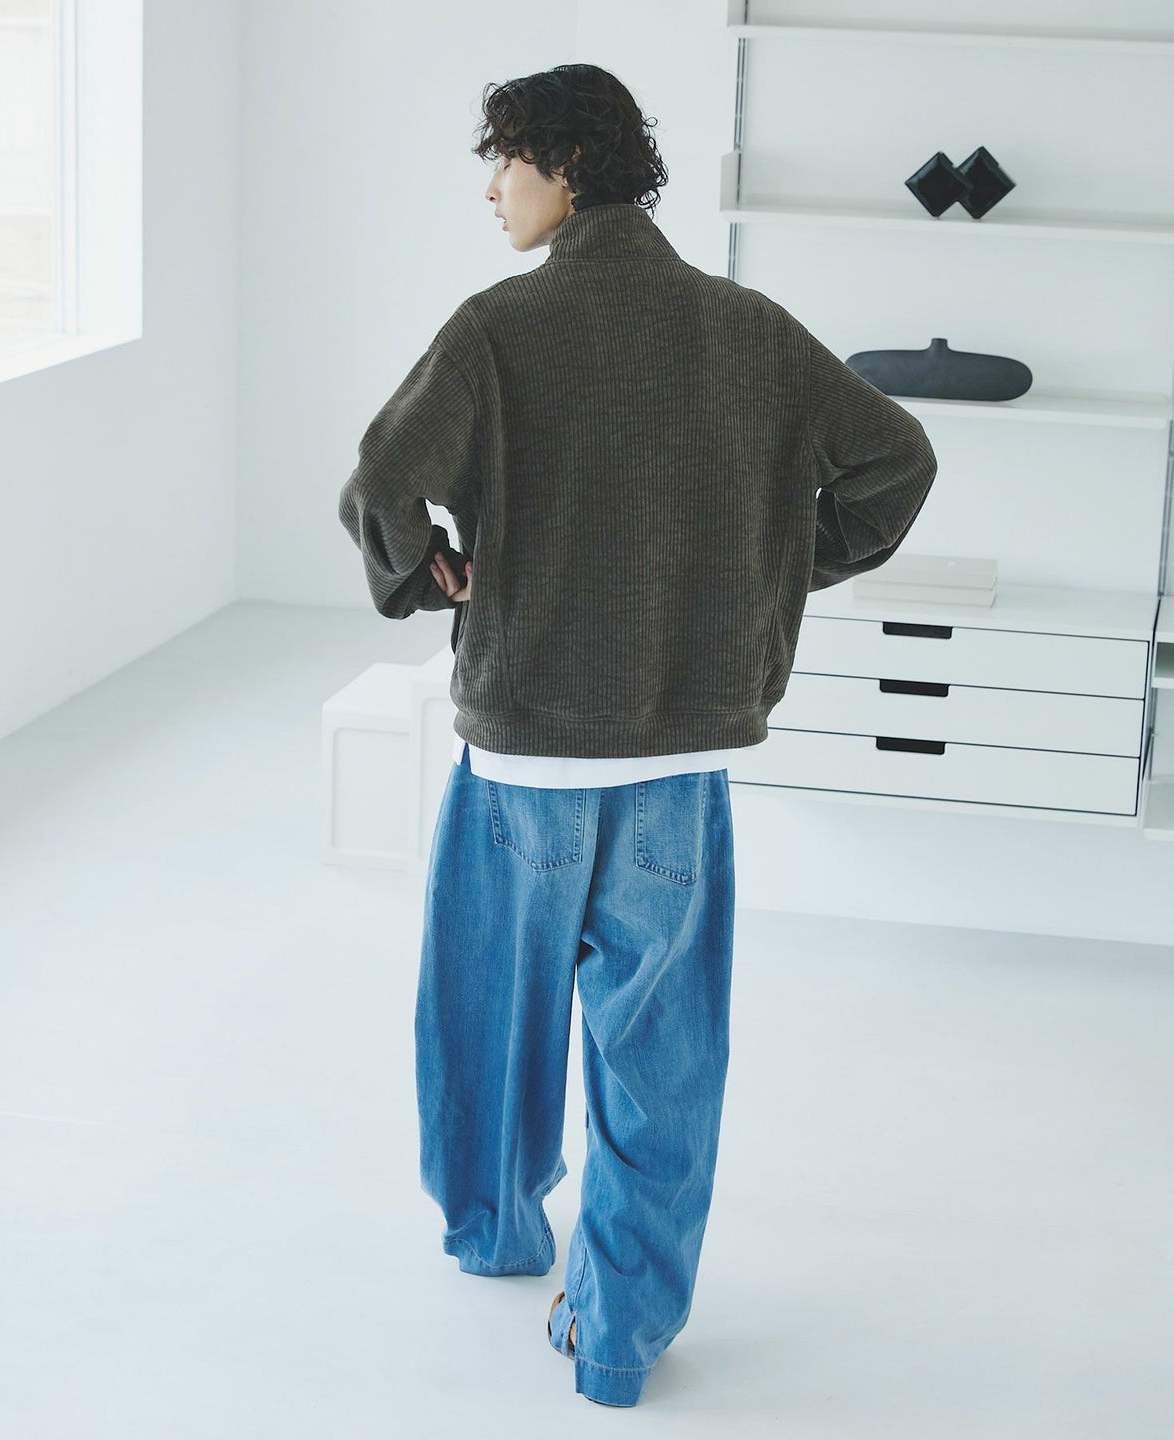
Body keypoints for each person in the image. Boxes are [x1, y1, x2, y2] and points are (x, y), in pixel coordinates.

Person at [338, 63, 938, 1407]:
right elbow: (897, 459)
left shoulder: (497, 330)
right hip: (677, 764)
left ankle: (496, 1233)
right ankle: (616, 1342)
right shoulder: (746, 327)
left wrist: (428, 570)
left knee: (489, 1018)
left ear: (564, 165)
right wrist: (773, 567)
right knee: (660, 1059)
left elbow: (380, 483)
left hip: (523, 757)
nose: (493, 190)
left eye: (503, 161)